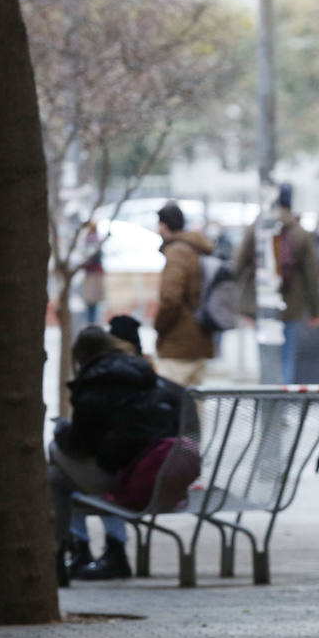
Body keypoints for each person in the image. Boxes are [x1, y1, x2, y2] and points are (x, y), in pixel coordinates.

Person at [50, 326, 185, 583]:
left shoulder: (94, 384)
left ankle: (64, 554)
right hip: (160, 475)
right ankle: (112, 550)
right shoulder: (146, 376)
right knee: (56, 477)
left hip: (127, 481)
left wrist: (60, 431)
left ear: (80, 357)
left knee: (55, 460)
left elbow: (79, 446)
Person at [235, 185, 319, 382]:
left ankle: (268, 401)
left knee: (265, 355)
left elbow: (239, 262)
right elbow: (312, 275)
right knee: (286, 357)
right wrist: (316, 311)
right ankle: (282, 402)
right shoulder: (300, 233)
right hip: (290, 306)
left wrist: (242, 302)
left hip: (261, 305)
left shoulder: (257, 227)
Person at [153, 201, 214, 387]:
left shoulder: (177, 253)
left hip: (177, 345)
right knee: (193, 411)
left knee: (169, 407)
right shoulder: (198, 249)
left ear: (163, 226)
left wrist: (159, 326)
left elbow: (170, 299)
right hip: (202, 339)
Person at [80, 222, 105, 325]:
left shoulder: (91, 241)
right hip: (92, 274)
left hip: (93, 275)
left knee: (92, 303)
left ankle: (92, 322)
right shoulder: (93, 241)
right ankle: (91, 322)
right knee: (92, 303)